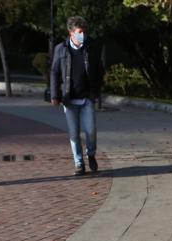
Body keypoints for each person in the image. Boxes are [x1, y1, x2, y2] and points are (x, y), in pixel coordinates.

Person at [50, 16, 103, 175]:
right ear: (71, 32)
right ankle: (79, 163)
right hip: (69, 98)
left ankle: (91, 154)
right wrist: (55, 94)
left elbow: (99, 69)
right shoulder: (61, 49)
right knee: (74, 133)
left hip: (87, 97)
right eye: (80, 32)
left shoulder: (91, 46)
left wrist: (97, 90)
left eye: (84, 32)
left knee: (91, 131)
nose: (83, 35)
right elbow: (54, 72)